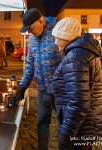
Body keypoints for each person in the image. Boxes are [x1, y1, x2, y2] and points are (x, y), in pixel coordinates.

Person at [16, 8, 63, 149]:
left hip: (60, 91)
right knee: (41, 123)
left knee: (64, 126)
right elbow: (30, 64)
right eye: (28, 31)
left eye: (31, 28)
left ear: (40, 21)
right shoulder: (32, 40)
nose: (30, 32)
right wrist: (22, 85)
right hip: (42, 91)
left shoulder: (59, 32)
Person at [52, 17, 102, 150]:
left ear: (67, 37)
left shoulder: (75, 57)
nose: (55, 42)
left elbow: (79, 102)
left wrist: (66, 135)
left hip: (81, 128)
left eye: (57, 37)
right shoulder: (83, 52)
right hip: (85, 125)